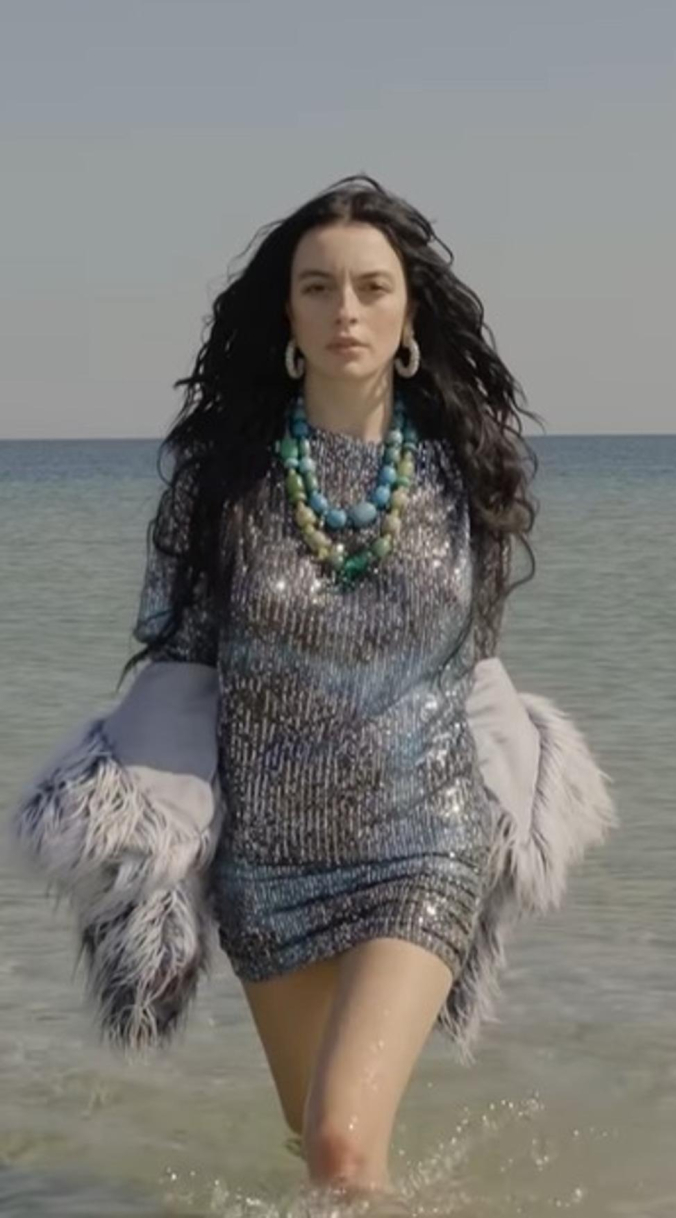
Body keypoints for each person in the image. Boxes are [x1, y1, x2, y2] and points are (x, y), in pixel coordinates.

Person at [11, 173, 616, 1206]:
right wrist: (135, 842)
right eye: (319, 288)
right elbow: (177, 665)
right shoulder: (218, 484)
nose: (347, 311)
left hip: (424, 840)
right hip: (270, 863)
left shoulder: (468, 475)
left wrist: (523, 805)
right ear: (287, 315)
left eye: (374, 288)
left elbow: (473, 668)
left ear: (409, 316)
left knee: (339, 1139)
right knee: (328, 1153)